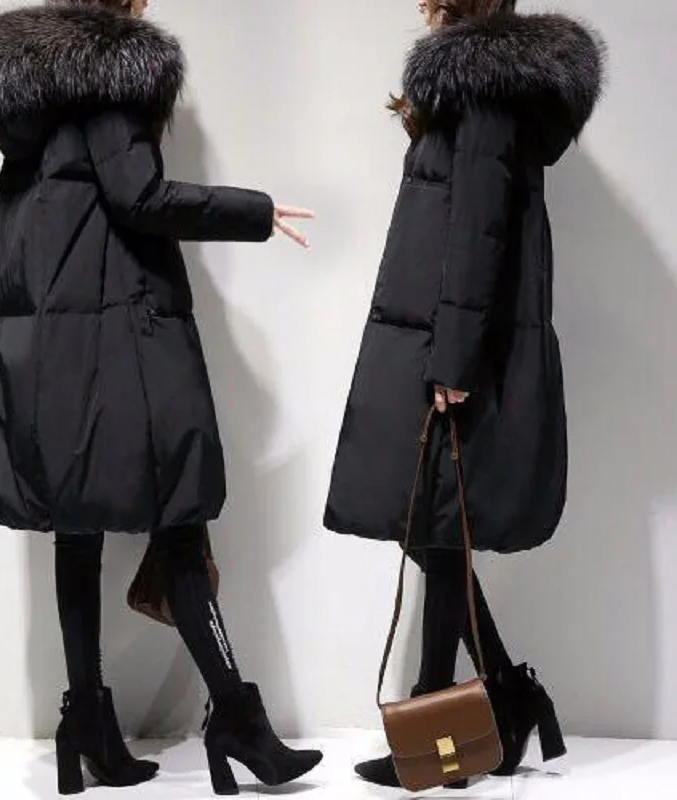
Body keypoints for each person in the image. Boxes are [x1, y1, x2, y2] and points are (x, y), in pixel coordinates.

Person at [0, 0, 321, 795]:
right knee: (179, 517)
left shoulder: (27, 96)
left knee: (76, 526)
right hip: (119, 338)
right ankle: (236, 719)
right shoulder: (111, 75)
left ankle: (86, 720)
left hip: (48, 352)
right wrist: (257, 212)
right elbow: (141, 197)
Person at [325, 0, 604, 789]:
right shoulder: (483, 85)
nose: (419, 3)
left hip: (451, 349)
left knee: (440, 532)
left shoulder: (482, 87)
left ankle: (437, 732)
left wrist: (452, 359)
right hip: (441, 337)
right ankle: (506, 696)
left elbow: (479, 231)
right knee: (433, 527)